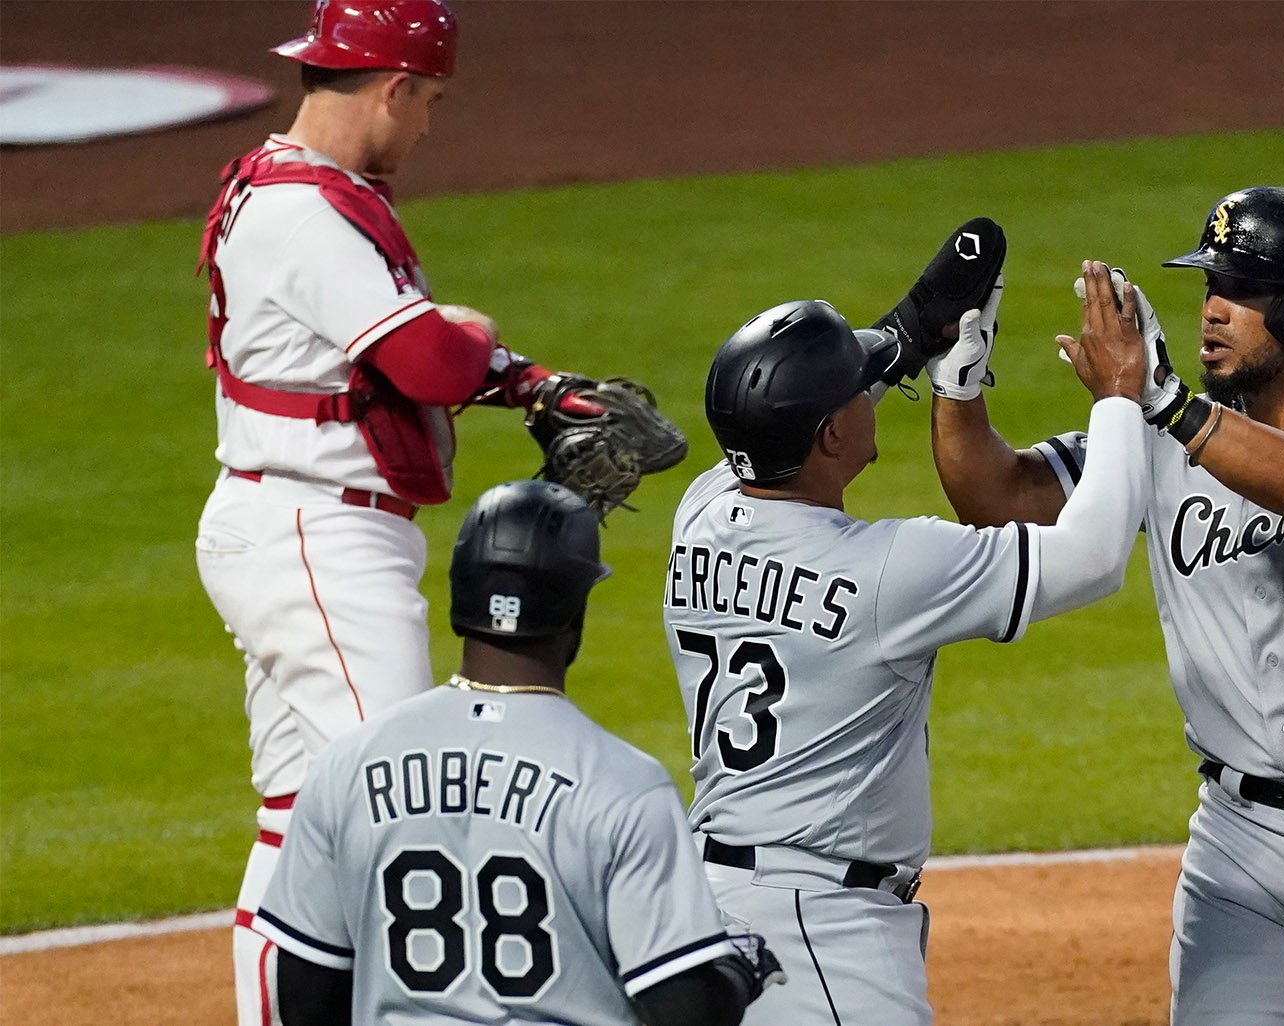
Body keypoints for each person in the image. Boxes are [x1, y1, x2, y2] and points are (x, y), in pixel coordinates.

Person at [929, 188, 1284, 1025]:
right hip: (1240, 847)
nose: (1210, 311)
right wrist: (960, 375)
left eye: (1239, 291)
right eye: (1209, 287)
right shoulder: (1169, 437)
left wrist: (1165, 404)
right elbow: (1000, 496)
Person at [192, 4, 603, 1021]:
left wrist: (531, 382)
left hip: (300, 527)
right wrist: (475, 334)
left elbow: (397, 348)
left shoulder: (309, 190)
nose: (427, 126)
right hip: (315, 537)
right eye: (427, 103)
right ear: (390, 89)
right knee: (410, 800)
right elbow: (420, 356)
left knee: (301, 812)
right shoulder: (302, 213)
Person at [662, 276, 1149, 1025]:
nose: (868, 393)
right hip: (821, 935)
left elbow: (772, 431)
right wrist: (1120, 394)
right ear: (830, 436)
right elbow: (1093, 555)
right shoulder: (889, 570)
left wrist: (906, 338)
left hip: (705, 909)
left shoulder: (701, 515)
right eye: (856, 389)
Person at [251, 480, 782, 1026]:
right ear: (575, 613)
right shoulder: (622, 782)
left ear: (459, 595)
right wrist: (733, 972)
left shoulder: (349, 764)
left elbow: (304, 993)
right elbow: (684, 1010)